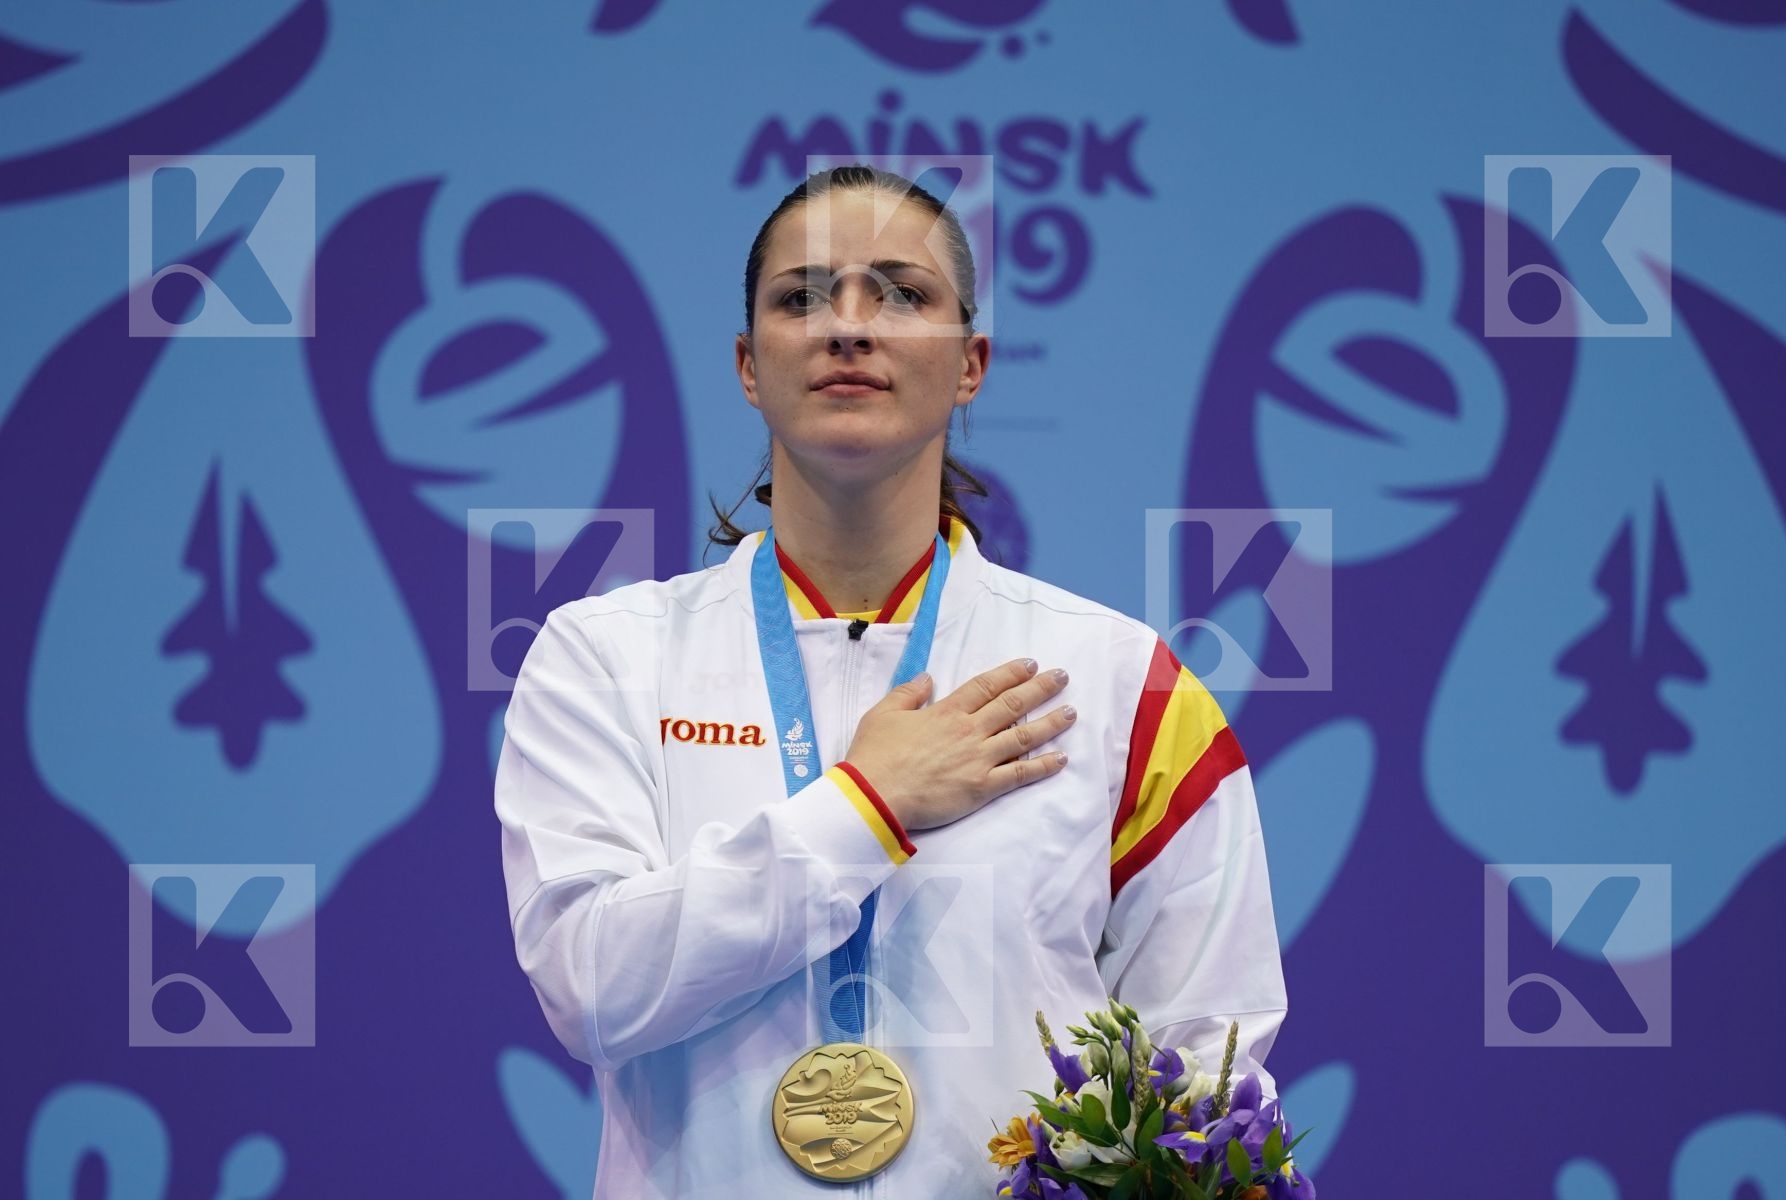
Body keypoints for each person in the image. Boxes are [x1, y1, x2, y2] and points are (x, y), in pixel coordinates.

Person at [494, 163, 1288, 1198]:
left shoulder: (1118, 680)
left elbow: (1209, 1073)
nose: (848, 326)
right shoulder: (605, 657)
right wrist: (866, 808)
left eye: (902, 293)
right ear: (748, 363)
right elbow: (593, 988)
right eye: (802, 297)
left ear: (971, 363)